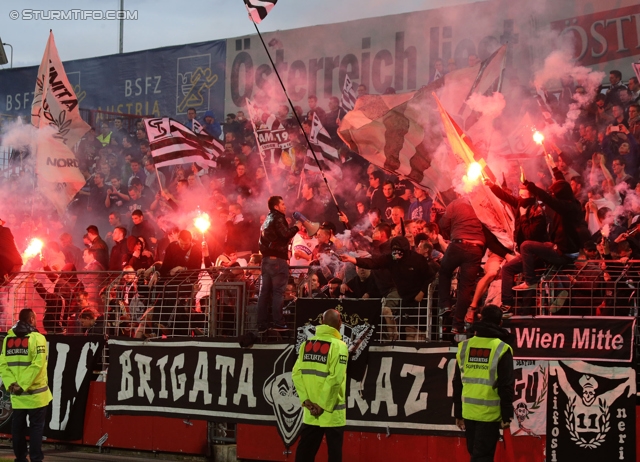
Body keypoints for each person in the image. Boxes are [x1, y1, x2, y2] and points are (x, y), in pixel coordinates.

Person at [453, 305, 514, 462]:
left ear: (480, 318)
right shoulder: (501, 348)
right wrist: (506, 415)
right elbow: (506, 385)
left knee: (475, 454)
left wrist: (459, 413)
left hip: (468, 413)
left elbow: (457, 383)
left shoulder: (464, 347)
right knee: (483, 457)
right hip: (489, 415)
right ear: (500, 323)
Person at [292, 309, 348, 462]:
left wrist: (306, 400)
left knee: (305, 453)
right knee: (334, 454)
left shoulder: (306, 345)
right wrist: (322, 404)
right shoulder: (340, 346)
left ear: (322, 323)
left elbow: (296, 374)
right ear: (340, 323)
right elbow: (335, 379)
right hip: (331, 412)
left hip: (311, 412)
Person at [0, 308, 53, 462]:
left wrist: (11, 384)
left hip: (17, 396)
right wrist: (22, 384)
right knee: (36, 428)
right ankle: (36, 458)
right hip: (36, 394)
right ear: (31, 319)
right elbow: (38, 365)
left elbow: (3, 364)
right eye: (35, 318)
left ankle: (20, 458)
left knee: (17, 429)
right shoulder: (38, 338)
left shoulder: (8, 339)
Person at [438, 196, 485, 334]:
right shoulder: (481, 202)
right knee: (465, 288)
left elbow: (443, 224)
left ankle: (444, 305)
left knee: (445, 272)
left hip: (458, 243)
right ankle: (457, 326)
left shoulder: (455, 203)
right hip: (477, 247)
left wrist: (445, 215)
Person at [257, 196, 299, 331]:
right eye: (282, 204)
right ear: (276, 207)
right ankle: (279, 323)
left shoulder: (266, 221)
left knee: (264, 293)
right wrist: (296, 227)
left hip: (266, 260)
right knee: (278, 293)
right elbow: (285, 234)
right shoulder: (278, 217)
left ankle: (262, 324)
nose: (285, 206)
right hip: (278, 261)